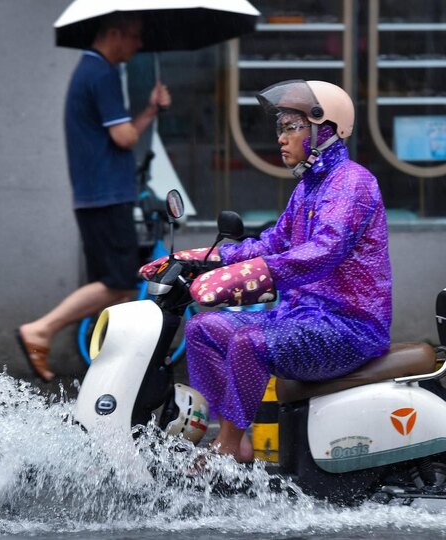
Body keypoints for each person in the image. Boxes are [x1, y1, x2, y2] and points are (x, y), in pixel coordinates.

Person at [140, 80, 392, 463]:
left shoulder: (351, 184)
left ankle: (228, 450)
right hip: (300, 318)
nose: (282, 138)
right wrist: (205, 259)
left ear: (324, 129)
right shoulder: (308, 188)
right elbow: (272, 243)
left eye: (292, 128)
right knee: (202, 329)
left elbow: (322, 252)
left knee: (249, 343)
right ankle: (231, 438)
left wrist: (251, 276)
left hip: (348, 326)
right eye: (281, 128)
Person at [16, 14, 171, 382]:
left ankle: (115, 370)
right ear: (113, 33)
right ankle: (42, 329)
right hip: (106, 195)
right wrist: (150, 111)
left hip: (99, 194)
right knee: (117, 281)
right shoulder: (101, 73)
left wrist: (149, 109)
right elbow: (124, 137)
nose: (138, 45)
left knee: (117, 290)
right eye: (135, 36)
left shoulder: (92, 70)